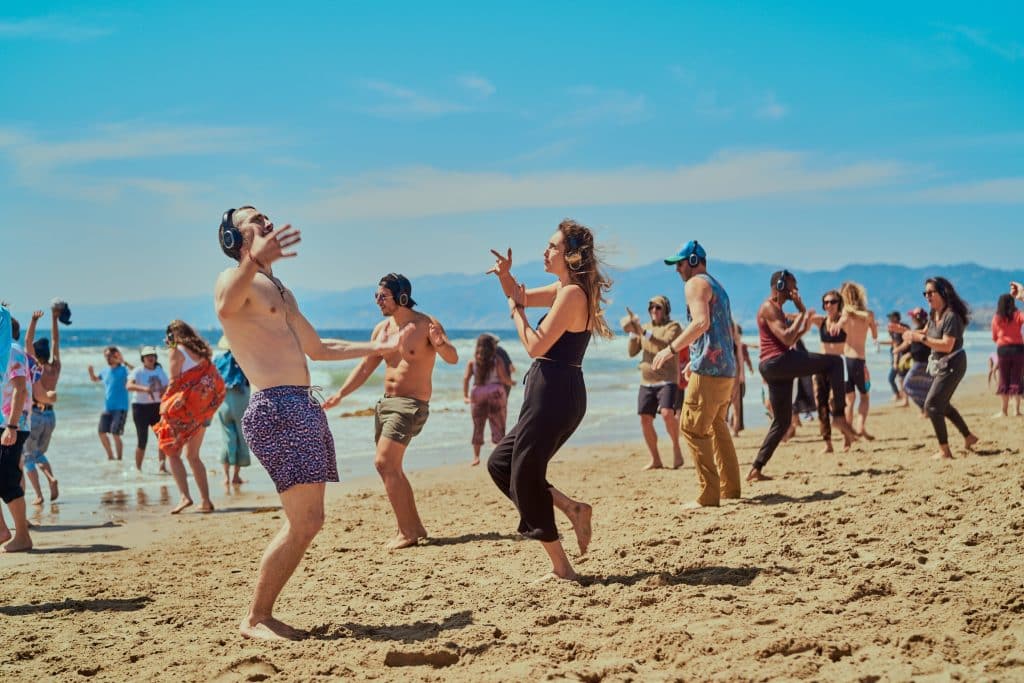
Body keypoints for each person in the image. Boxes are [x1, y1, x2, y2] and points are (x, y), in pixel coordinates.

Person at [214, 205, 400, 640]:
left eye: (266, 218)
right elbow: (224, 307)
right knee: (304, 522)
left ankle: (261, 615)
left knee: (310, 521)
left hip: (301, 405)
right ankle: (256, 617)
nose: (266, 222)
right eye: (254, 220)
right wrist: (249, 259)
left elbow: (318, 347)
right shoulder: (233, 281)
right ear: (234, 239)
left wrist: (378, 349)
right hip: (275, 408)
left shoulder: (279, 289)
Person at [485, 219, 612, 582]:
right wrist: (504, 278)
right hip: (550, 389)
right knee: (502, 464)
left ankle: (563, 569)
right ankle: (572, 508)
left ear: (570, 256)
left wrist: (516, 313)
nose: (545, 251)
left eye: (552, 247)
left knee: (524, 472)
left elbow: (534, 345)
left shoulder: (572, 295)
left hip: (556, 392)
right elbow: (521, 294)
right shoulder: (564, 288)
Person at [323, 273, 458, 550]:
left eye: (382, 296)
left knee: (384, 462)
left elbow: (453, 358)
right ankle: (414, 527)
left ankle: (407, 532)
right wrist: (340, 394)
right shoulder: (381, 330)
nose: (377, 301)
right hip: (386, 404)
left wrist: (441, 343)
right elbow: (365, 368)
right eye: (376, 296)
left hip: (411, 405)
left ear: (402, 297)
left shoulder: (425, 325)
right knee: (392, 467)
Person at [651, 240, 741, 508]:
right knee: (717, 425)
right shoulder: (716, 285)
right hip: (726, 368)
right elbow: (720, 330)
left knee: (691, 427)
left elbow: (701, 323)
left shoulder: (695, 284)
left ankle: (708, 495)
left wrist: (670, 349)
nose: (677, 270)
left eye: (679, 264)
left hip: (711, 370)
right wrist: (693, 359)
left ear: (692, 261)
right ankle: (730, 488)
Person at [749, 270, 858, 482]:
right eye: (793, 285)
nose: (796, 290)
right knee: (835, 362)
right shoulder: (769, 307)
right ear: (780, 285)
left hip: (775, 365)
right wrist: (802, 313)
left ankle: (756, 468)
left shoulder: (776, 308)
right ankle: (838, 416)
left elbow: (791, 337)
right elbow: (788, 339)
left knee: (782, 422)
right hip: (778, 363)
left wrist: (801, 317)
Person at [903, 277, 979, 460]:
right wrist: (907, 333)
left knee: (932, 406)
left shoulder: (951, 316)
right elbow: (927, 333)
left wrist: (919, 339)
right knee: (942, 404)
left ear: (942, 292)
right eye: (925, 293)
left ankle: (945, 450)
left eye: (931, 292)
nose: (927, 296)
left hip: (954, 363)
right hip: (943, 365)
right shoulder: (934, 313)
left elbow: (946, 345)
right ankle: (969, 437)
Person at [154, 321, 224, 514]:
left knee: (170, 451)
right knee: (193, 456)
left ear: (172, 335)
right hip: (201, 410)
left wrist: (165, 403)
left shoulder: (176, 351)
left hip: (183, 410)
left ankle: (185, 496)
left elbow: (174, 381)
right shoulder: (203, 353)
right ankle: (206, 501)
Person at [623, 295, 684, 469]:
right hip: (646, 381)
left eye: (658, 307)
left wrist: (643, 332)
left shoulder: (673, 326)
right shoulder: (645, 328)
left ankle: (676, 447)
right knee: (645, 419)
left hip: (667, 380)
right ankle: (655, 459)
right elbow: (632, 352)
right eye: (651, 308)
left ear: (665, 310)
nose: (654, 311)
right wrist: (633, 333)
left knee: (666, 413)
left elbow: (666, 343)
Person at [22, 307, 62, 504]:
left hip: (36, 414)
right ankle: (51, 478)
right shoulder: (55, 367)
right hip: (51, 417)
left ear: (36, 354)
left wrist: (34, 321)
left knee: (28, 456)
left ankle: (39, 494)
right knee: (38, 453)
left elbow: (27, 342)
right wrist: (55, 319)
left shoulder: (35, 367)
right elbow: (56, 341)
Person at [1, 312, 33, 552]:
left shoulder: (12, 350)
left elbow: (20, 389)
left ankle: (22, 536)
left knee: (7, 479)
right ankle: (3, 531)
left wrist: (11, 426)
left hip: (12, 424)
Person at [836, 281, 878, 439]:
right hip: (859, 361)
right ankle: (860, 426)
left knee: (849, 400)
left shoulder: (845, 315)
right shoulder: (868, 315)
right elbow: (874, 335)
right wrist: (872, 330)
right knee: (865, 396)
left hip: (845, 361)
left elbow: (835, 331)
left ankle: (848, 437)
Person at [808, 290, 847, 453]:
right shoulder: (822, 321)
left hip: (837, 365)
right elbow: (803, 317)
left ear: (839, 303)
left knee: (835, 402)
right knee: (821, 404)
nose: (829, 305)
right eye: (826, 302)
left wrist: (839, 322)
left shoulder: (844, 321)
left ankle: (846, 435)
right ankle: (828, 442)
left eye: (833, 302)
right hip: (820, 365)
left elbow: (848, 316)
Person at [463, 334, 511, 466]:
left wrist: (465, 396)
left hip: (478, 394)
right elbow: (503, 378)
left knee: (478, 426)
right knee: (498, 425)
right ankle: (498, 456)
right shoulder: (497, 360)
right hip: (496, 393)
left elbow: (466, 378)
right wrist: (511, 382)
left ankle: (476, 457)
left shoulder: (472, 362)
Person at [215, 337, 252, 485]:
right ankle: (236, 476)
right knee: (241, 439)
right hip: (240, 399)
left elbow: (212, 381)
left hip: (223, 401)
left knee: (227, 438)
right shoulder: (244, 359)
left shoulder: (218, 359)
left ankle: (225, 477)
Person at [126, 346, 169, 472]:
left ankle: (162, 467)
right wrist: (145, 389)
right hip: (140, 407)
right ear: (142, 359)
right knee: (142, 439)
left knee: (162, 438)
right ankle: (138, 469)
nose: (150, 358)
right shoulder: (138, 371)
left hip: (157, 407)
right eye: (147, 356)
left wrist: (164, 391)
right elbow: (128, 386)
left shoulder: (160, 370)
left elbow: (168, 385)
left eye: (153, 355)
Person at [88, 346, 130, 461]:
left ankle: (119, 459)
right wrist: (91, 373)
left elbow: (136, 373)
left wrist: (123, 361)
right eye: (106, 356)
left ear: (116, 355)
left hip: (121, 407)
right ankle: (111, 457)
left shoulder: (123, 370)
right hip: (107, 407)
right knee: (101, 432)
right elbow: (95, 379)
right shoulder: (105, 370)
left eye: (110, 356)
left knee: (115, 434)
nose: (108, 358)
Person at [991, 293, 1024, 418]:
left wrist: (1003, 341)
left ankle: (1004, 411)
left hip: (1003, 350)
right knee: (1017, 379)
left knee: (1003, 379)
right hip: (1019, 349)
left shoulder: (997, 317)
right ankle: (1016, 411)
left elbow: (994, 337)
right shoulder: (1018, 314)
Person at [895, 308, 932, 411]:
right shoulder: (917, 329)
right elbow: (908, 343)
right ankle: (926, 408)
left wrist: (908, 354)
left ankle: (925, 407)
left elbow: (920, 342)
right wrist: (898, 350)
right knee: (922, 386)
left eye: (912, 316)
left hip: (923, 363)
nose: (911, 318)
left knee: (907, 385)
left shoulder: (926, 329)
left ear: (917, 317)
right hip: (918, 362)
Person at [880, 311, 910, 405]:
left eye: (891, 317)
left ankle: (902, 398)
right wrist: (881, 343)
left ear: (896, 318)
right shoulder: (895, 329)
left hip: (902, 356)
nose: (889, 319)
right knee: (900, 378)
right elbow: (894, 342)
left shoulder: (898, 329)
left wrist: (895, 362)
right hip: (901, 355)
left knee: (898, 378)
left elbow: (897, 345)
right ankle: (901, 397)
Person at [728, 323, 752, 436]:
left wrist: (742, 373)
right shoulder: (722, 338)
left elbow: (740, 357)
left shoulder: (735, 340)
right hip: (725, 371)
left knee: (735, 402)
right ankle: (727, 429)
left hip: (734, 371)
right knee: (725, 402)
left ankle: (735, 429)